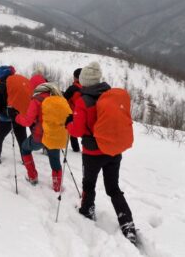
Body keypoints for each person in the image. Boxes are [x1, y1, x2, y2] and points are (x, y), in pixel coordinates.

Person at [66, 61, 137, 244]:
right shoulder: (109, 96)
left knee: (88, 184)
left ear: (84, 82)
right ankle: (127, 223)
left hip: (92, 152)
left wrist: (68, 123)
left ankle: (87, 210)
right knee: (113, 188)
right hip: (113, 150)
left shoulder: (83, 101)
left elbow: (77, 130)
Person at [15, 82, 71, 192]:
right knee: (55, 161)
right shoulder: (58, 98)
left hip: (39, 136)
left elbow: (27, 121)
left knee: (25, 148)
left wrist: (17, 117)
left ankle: (32, 177)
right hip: (54, 135)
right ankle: (57, 186)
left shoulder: (37, 99)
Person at [0, 65, 28, 164]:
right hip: (19, 116)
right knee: (22, 140)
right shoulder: (18, 84)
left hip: (5, 118)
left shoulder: (0, 86)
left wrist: (4, 111)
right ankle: (26, 160)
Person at [63, 68, 82, 152]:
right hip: (83, 113)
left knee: (70, 128)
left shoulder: (73, 88)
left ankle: (75, 148)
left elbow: (63, 99)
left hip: (72, 113)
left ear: (75, 77)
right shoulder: (88, 88)